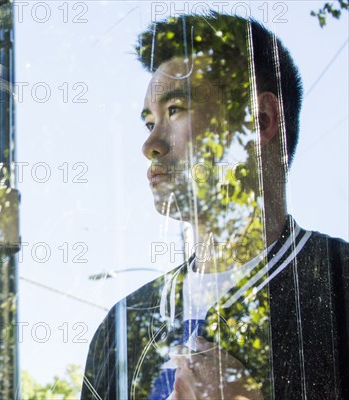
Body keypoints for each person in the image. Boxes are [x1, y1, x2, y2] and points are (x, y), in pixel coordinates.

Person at [81, 12, 348, 400]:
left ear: (260, 119)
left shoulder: (338, 288)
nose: (150, 144)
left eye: (174, 110)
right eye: (148, 122)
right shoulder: (121, 327)